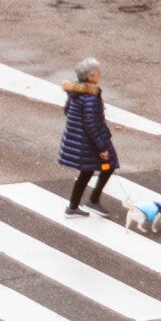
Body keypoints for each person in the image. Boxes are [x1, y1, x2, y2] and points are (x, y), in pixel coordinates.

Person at [58, 57, 117, 217]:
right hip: (89, 142)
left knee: (88, 171)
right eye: (97, 72)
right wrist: (102, 147)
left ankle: (78, 205)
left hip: (80, 140)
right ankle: (89, 201)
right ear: (90, 77)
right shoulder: (91, 98)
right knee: (107, 165)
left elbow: (67, 111)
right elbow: (92, 124)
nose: (100, 74)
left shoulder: (76, 93)